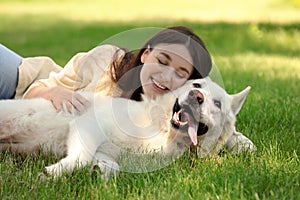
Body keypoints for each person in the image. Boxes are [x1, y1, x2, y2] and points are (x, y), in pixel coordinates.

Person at [0, 26, 212, 114]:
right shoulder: (106, 60)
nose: (166, 76)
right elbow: (31, 93)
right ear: (146, 55)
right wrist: (52, 92)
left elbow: (217, 117)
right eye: (162, 61)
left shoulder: (172, 105)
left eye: (180, 73)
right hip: (20, 82)